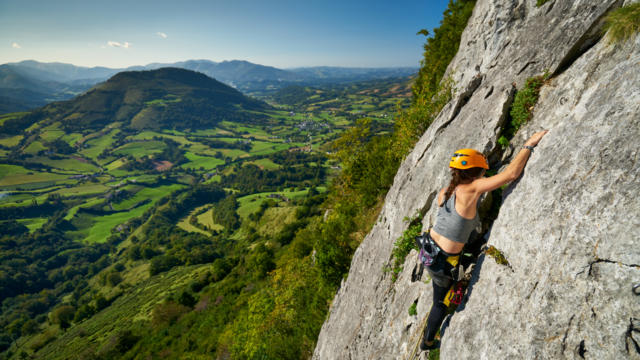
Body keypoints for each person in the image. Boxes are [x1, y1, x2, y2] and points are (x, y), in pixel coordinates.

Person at [420, 130, 548, 351]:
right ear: (476, 172)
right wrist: (529, 144)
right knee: (440, 302)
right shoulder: (473, 188)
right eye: (481, 171)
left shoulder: (445, 192)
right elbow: (510, 175)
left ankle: (430, 336)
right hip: (443, 261)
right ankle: (427, 342)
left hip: (429, 251)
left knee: (443, 288)